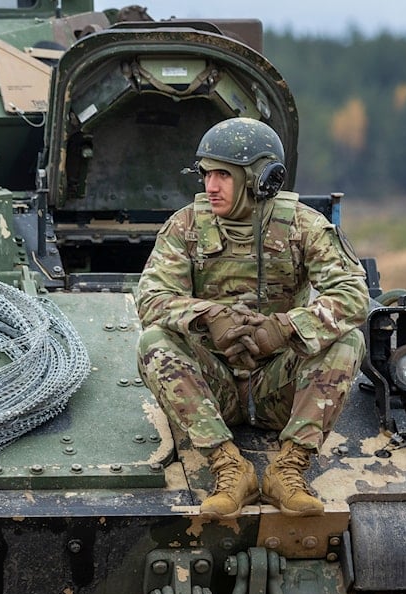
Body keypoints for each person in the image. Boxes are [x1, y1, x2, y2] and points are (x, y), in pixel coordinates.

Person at [136, 117, 369, 519]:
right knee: (154, 343)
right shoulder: (186, 226)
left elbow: (352, 296)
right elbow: (152, 299)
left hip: (279, 385)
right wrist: (207, 316)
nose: (210, 186)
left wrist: (286, 329)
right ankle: (229, 468)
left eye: (223, 175)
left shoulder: (303, 226)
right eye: (206, 174)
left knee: (348, 342)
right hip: (215, 387)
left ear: (261, 178)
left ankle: (288, 469)